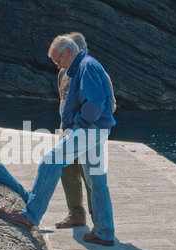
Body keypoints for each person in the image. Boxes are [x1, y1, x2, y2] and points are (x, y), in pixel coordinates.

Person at [0, 36, 116, 246]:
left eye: (57, 60)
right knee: (97, 180)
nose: (57, 65)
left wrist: (79, 124)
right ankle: (105, 232)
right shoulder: (85, 65)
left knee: (49, 161)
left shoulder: (86, 67)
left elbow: (95, 103)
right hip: (99, 130)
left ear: (68, 51)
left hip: (89, 129)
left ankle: (30, 215)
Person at [55, 32, 117, 229]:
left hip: (88, 133)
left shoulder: (97, 72)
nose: (59, 64)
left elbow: (110, 105)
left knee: (92, 177)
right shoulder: (63, 73)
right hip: (68, 133)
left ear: (76, 51)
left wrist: (83, 122)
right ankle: (76, 214)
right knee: (67, 172)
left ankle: (98, 222)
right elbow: (63, 101)